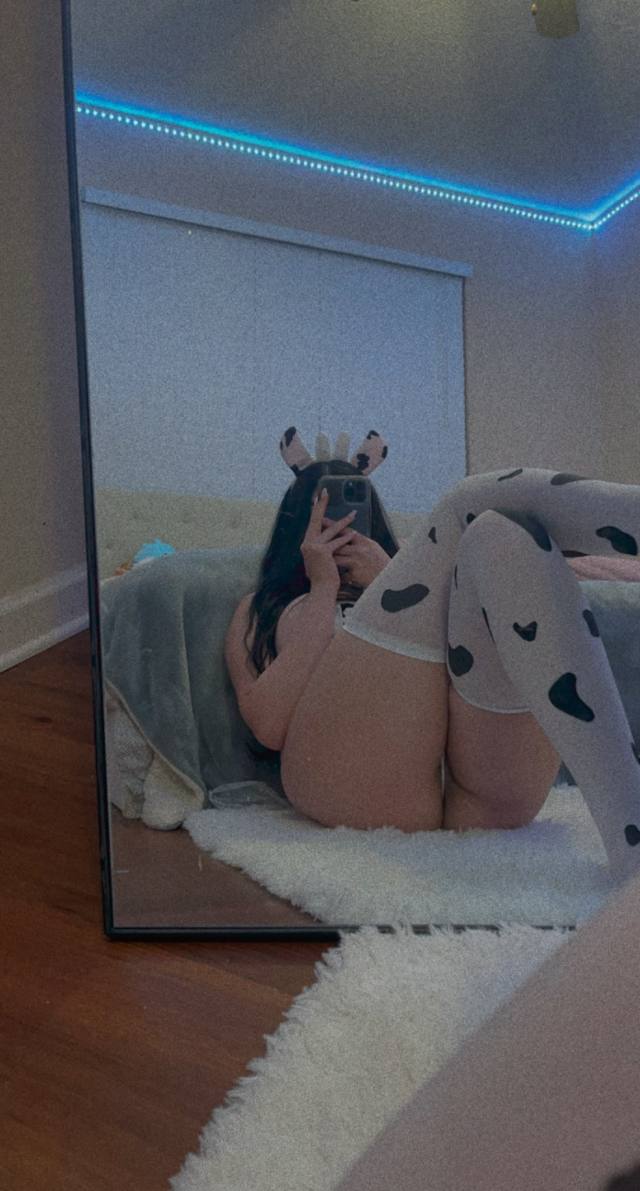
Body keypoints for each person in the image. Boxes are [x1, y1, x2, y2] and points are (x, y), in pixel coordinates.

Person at [225, 427, 640, 883]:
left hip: (477, 781)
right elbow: (270, 725)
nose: (341, 524)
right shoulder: (261, 606)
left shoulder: (403, 572)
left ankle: (634, 845)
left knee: (497, 532)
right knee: (463, 505)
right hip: (348, 783)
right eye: (324, 512)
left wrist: (387, 577)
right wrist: (324, 589)